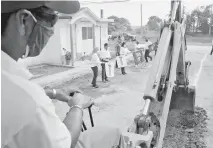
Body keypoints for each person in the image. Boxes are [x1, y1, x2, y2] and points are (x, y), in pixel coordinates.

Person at [1, 1, 127, 148]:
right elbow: (64, 144)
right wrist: (77, 106)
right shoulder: (28, 96)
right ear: (24, 20)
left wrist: (53, 92)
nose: (52, 31)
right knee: (114, 133)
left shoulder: (10, 83)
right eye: (52, 19)